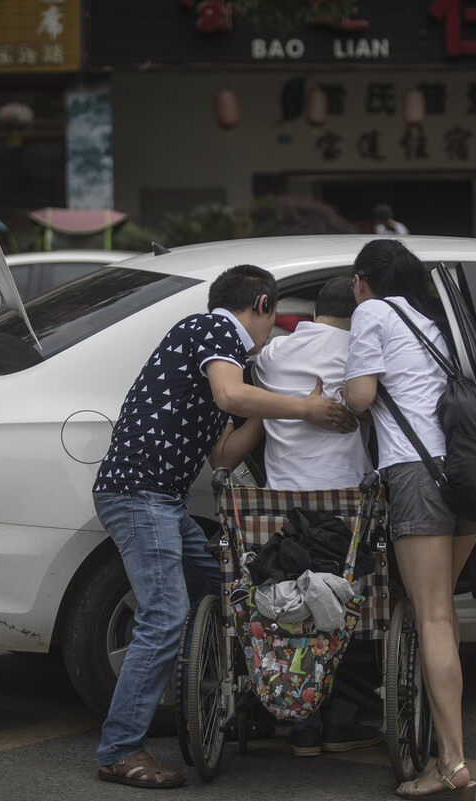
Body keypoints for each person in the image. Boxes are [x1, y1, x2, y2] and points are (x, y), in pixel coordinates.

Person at [91, 264, 356, 789]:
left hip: (160, 500)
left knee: (229, 593)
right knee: (164, 618)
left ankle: (233, 700)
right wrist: (303, 407)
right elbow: (231, 398)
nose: (268, 335)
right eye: (272, 318)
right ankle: (119, 750)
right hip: (140, 496)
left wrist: (280, 406)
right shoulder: (215, 330)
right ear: (261, 304)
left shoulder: (221, 361)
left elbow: (225, 453)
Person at [212, 275, 379, 757]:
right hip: (346, 514)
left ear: (315, 312)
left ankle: (301, 726)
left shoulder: (273, 355)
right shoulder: (362, 352)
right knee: (363, 597)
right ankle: (341, 721)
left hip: (279, 517)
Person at [341, 239, 476, 801]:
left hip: (417, 476)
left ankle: (451, 763)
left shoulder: (371, 312)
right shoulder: (430, 321)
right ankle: (442, 748)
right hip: (466, 475)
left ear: (360, 281)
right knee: (441, 614)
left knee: (435, 619)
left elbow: (359, 397)